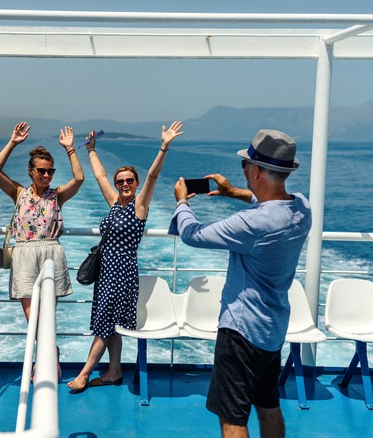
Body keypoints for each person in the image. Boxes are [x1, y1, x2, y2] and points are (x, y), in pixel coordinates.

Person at [169, 129, 312, 437]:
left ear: (257, 171)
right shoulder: (302, 208)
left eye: (245, 165)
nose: (245, 170)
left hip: (241, 331)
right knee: (268, 406)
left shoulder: (251, 223)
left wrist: (182, 203)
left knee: (232, 416)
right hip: (272, 330)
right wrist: (233, 191)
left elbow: (193, 234)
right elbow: (268, 201)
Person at [67, 121, 184, 392]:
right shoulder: (114, 203)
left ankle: (84, 373)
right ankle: (114, 371)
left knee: (104, 324)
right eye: (121, 181)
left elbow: (153, 176)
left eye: (129, 180)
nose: (124, 184)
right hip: (105, 271)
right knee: (112, 324)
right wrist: (91, 151)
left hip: (122, 272)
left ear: (136, 183)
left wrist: (164, 147)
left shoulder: (139, 206)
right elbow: (100, 177)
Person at [0, 122, 84, 378]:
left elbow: (79, 178)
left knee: (47, 313)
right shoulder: (18, 192)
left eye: (50, 171)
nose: (46, 176)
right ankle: (50, 353)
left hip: (51, 253)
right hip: (24, 253)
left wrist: (70, 149)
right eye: (41, 171)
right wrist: (13, 142)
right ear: (31, 171)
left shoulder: (57, 195)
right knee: (32, 315)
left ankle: (43, 360)